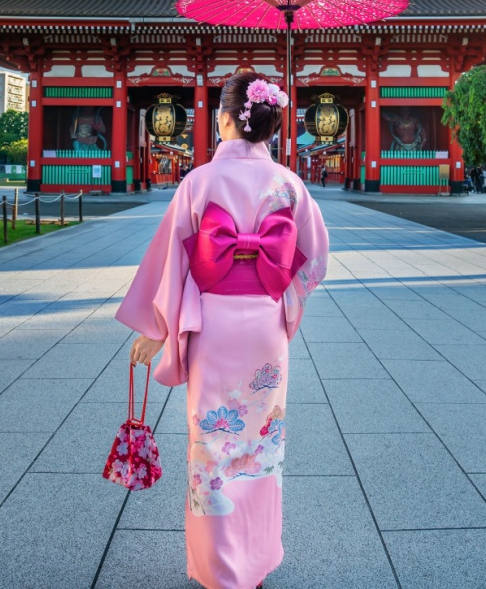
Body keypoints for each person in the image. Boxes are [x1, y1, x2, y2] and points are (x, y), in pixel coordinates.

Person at [116, 73, 330, 589]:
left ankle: (218, 570)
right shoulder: (288, 184)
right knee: (262, 442)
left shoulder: (200, 182)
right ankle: (255, 562)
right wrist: (283, 301)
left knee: (211, 445)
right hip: (264, 329)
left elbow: (170, 264)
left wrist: (159, 329)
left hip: (212, 326)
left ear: (227, 119)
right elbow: (315, 259)